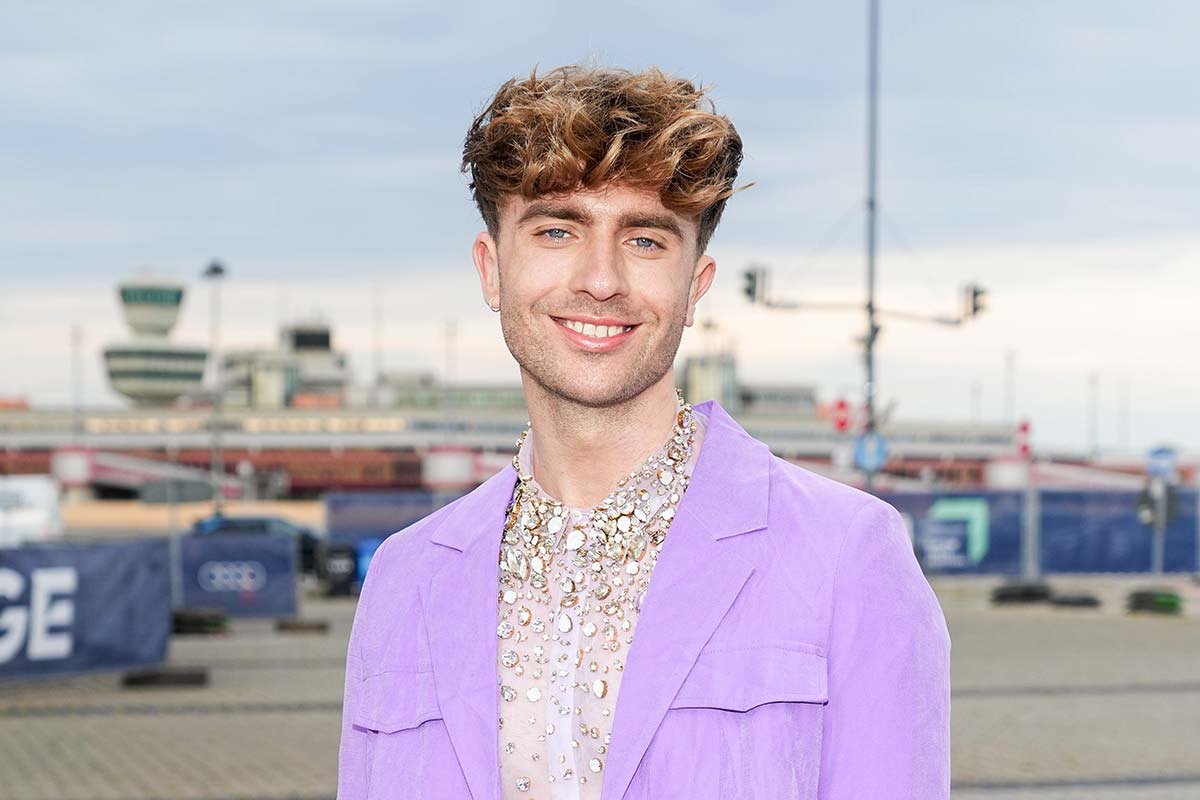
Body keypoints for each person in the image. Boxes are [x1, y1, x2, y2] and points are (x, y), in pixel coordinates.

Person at [338, 65, 950, 800]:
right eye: (557, 230)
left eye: (646, 240)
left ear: (695, 287)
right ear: (491, 270)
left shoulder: (847, 558)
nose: (601, 279)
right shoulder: (404, 579)